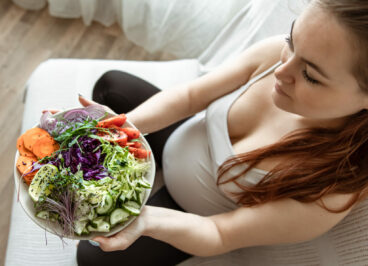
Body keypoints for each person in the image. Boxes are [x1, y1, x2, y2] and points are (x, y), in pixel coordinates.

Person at [72, 0, 368, 265]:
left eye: (310, 75)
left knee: (92, 258)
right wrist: (123, 130)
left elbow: (219, 233)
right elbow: (190, 97)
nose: (281, 71)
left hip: (190, 212)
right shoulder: (275, 56)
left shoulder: (333, 185)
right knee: (112, 85)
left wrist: (146, 220)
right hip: (180, 138)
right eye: (292, 40)